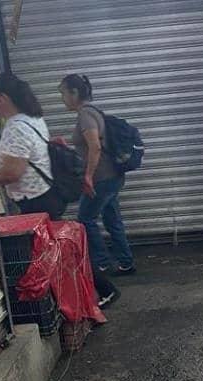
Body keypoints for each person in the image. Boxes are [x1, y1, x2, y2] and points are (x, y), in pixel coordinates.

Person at [59, 74, 136, 276]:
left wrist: (88, 176)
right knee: (112, 219)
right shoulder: (93, 112)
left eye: (63, 93)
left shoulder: (85, 115)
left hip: (101, 178)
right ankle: (125, 262)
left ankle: (101, 263)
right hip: (112, 176)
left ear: (74, 93)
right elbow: (91, 145)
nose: (62, 98)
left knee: (85, 218)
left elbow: (94, 147)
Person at [0, 73, 66, 220]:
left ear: (3, 99)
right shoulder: (33, 118)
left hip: (34, 203)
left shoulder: (16, 127)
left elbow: (12, 173)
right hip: (45, 196)